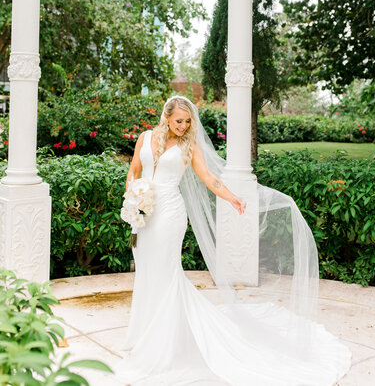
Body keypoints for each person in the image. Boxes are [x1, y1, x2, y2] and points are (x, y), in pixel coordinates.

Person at [113, 96, 351, 385]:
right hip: (143, 214)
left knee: (166, 274)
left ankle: (162, 346)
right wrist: (133, 196)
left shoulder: (190, 145)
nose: (184, 126)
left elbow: (208, 178)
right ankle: (143, 334)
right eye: (179, 121)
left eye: (187, 122)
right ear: (166, 117)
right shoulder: (145, 137)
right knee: (148, 273)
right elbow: (134, 170)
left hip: (170, 215)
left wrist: (232, 197)